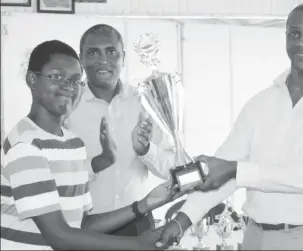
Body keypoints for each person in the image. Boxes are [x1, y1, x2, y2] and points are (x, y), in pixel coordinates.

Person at [156, 2, 303, 250]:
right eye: (295, 33)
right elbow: (221, 169)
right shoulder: (261, 102)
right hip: (255, 236)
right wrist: (181, 220)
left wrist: (233, 169)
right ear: (285, 35)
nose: (302, 42)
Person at [0, 40, 186, 250]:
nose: (68, 86)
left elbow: (83, 225)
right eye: (57, 77)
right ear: (32, 80)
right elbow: (58, 237)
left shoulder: (73, 144)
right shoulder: (25, 145)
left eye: (75, 80)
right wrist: (136, 245)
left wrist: (145, 203)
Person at [64, 24, 176, 236]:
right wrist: (97, 163)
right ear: (81, 59)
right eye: (93, 52)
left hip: (138, 224)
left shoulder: (146, 102)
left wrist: (145, 150)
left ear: (123, 57)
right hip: (85, 226)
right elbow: (57, 175)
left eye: (111, 51)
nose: (103, 59)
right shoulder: (67, 104)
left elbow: (172, 168)